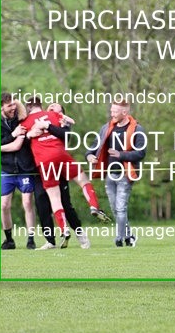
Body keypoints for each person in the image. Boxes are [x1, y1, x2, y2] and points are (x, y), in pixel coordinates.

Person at [22, 98, 110, 242]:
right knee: (83, 181)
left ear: (28, 107)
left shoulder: (25, 122)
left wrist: (30, 133)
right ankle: (94, 206)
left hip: (44, 161)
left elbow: (18, 140)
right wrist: (59, 119)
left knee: (55, 199)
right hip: (61, 156)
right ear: (41, 105)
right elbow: (71, 121)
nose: (52, 107)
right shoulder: (55, 116)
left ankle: (64, 229)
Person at [86, 101, 147, 247]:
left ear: (124, 113)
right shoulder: (106, 128)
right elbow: (93, 147)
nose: (112, 114)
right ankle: (129, 236)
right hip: (110, 174)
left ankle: (119, 238)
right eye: (111, 111)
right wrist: (89, 156)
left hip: (126, 173)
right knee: (115, 208)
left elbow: (141, 153)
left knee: (121, 208)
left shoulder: (138, 129)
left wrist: (121, 155)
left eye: (115, 111)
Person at [0, 93, 38, 250]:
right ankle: (9, 239)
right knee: (4, 205)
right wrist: (13, 135)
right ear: (2, 106)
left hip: (25, 167)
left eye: (14, 104)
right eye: (9, 105)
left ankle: (31, 239)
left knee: (27, 203)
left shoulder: (22, 119)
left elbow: (16, 144)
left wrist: (1, 148)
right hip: (7, 169)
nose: (13, 108)